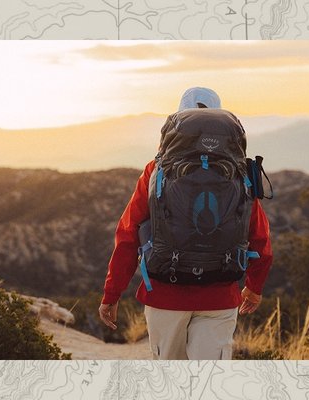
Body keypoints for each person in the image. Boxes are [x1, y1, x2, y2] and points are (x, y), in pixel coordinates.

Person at [98, 87, 273, 360]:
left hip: (165, 297)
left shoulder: (156, 170)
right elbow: (259, 234)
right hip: (221, 295)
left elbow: (128, 234)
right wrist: (254, 285)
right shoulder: (239, 171)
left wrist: (112, 293)